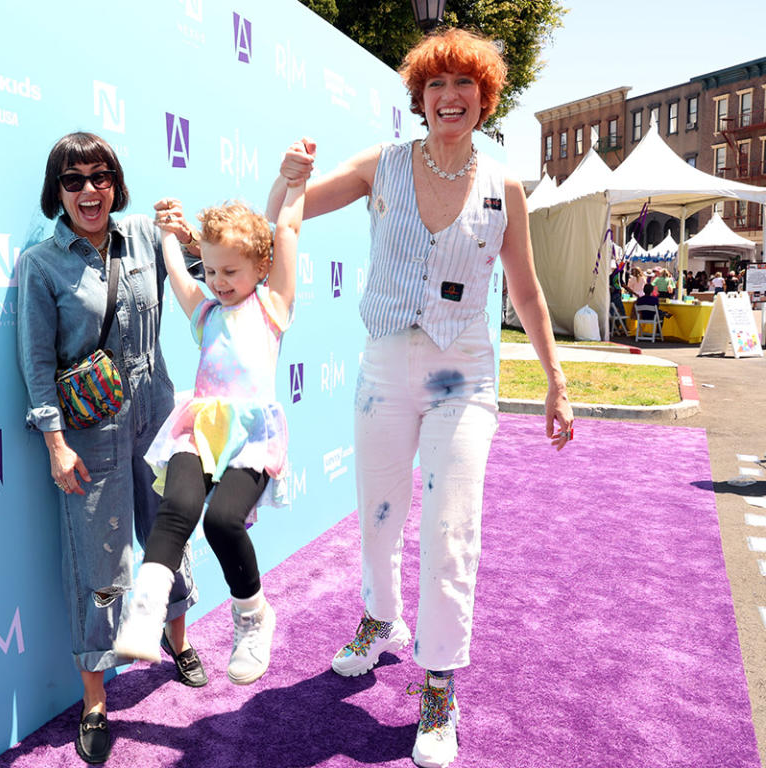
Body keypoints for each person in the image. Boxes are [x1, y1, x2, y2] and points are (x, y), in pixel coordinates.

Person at [267, 29, 573, 768]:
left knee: (449, 525)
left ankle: (439, 683)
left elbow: (527, 292)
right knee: (378, 515)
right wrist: (286, 178)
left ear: (483, 99)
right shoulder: (384, 166)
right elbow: (291, 211)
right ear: (419, 98)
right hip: (384, 369)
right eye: (436, 86)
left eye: (463, 86)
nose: (449, 98)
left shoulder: (505, 188)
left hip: (463, 375)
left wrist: (556, 379)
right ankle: (381, 620)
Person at [17, 132, 207, 765]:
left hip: (157, 421)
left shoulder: (147, 240)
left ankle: (179, 641)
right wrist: (54, 445)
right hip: (89, 436)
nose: (89, 191)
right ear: (58, 192)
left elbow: (214, 286)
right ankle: (96, 699)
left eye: (100, 177)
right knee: (99, 572)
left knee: (168, 538)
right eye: (74, 181)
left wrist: (191, 238)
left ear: (116, 183)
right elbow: (38, 364)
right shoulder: (42, 265)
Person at [114, 142, 310, 686]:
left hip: (249, 436)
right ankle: (146, 609)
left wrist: (295, 186)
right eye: (214, 271)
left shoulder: (272, 307)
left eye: (230, 271)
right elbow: (180, 272)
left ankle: (253, 617)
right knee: (175, 506)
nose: (219, 281)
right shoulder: (205, 313)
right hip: (198, 427)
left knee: (223, 520)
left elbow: (288, 231)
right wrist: (169, 236)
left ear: (260, 268)